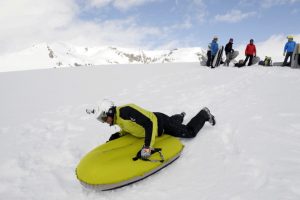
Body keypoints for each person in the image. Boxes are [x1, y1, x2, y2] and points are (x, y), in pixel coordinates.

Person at [87, 99, 216, 159]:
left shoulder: (126, 111)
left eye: (103, 118)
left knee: (189, 132)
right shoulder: (118, 118)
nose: (104, 122)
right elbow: (130, 127)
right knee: (173, 120)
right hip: (159, 118)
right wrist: (119, 134)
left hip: (161, 124)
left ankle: (204, 114)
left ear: (109, 111)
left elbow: (149, 123)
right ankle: (180, 116)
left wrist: (147, 146)